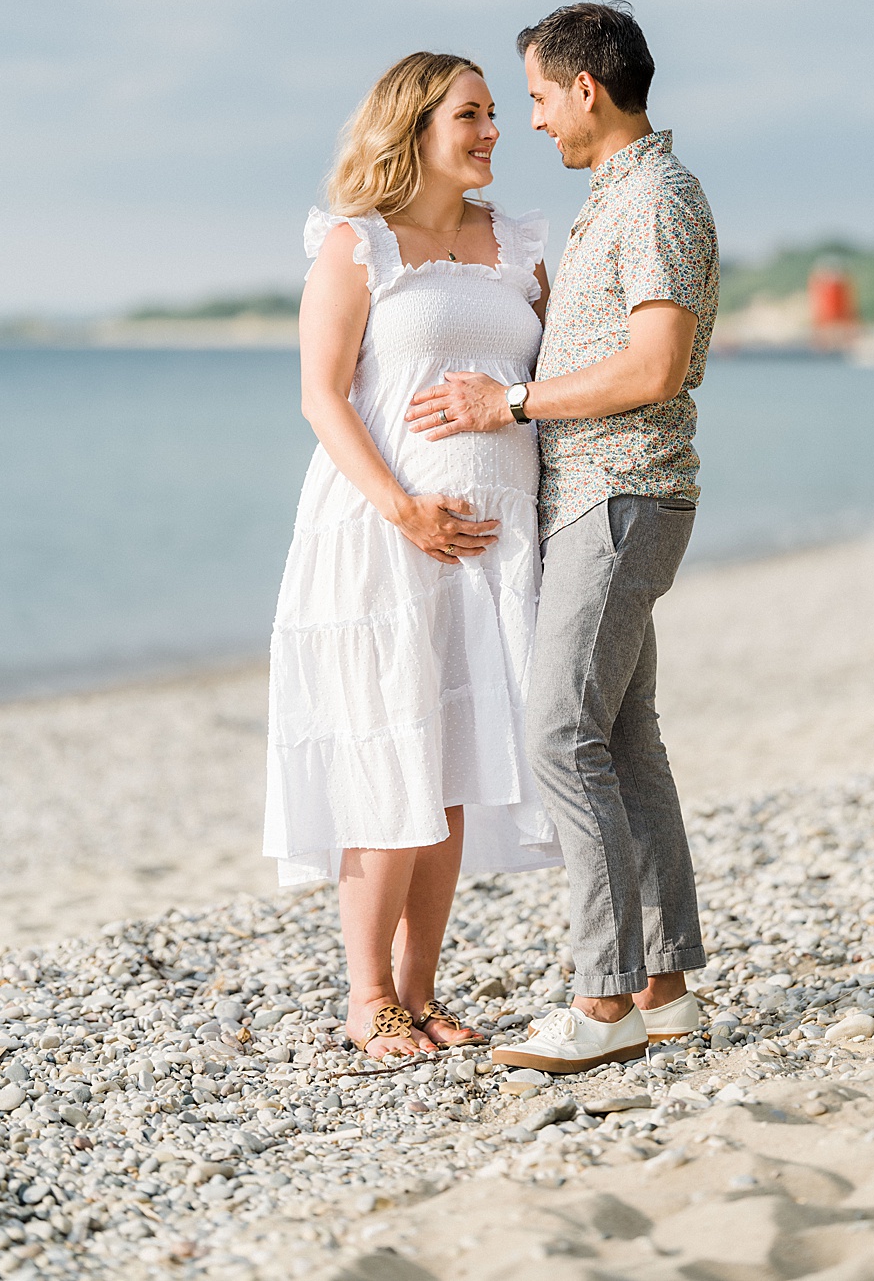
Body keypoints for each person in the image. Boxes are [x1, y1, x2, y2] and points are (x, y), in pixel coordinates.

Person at [405, 2, 719, 1073]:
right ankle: (664, 992)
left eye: (534, 97)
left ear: (584, 89)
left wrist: (510, 402)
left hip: (620, 495)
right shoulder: (616, 202)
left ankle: (602, 1005)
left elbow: (652, 370)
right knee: (623, 740)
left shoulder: (658, 200)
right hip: (600, 500)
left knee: (557, 737)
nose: (529, 121)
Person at [263, 51, 560, 1061]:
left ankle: (420, 992)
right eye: (471, 115)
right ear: (415, 128)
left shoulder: (515, 242)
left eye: (492, 113)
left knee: (448, 772)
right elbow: (321, 395)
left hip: (494, 542)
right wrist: (401, 509)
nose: (492, 132)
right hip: (382, 537)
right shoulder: (357, 245)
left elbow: (548, 381)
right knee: (386, 753)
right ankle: (366, 999)